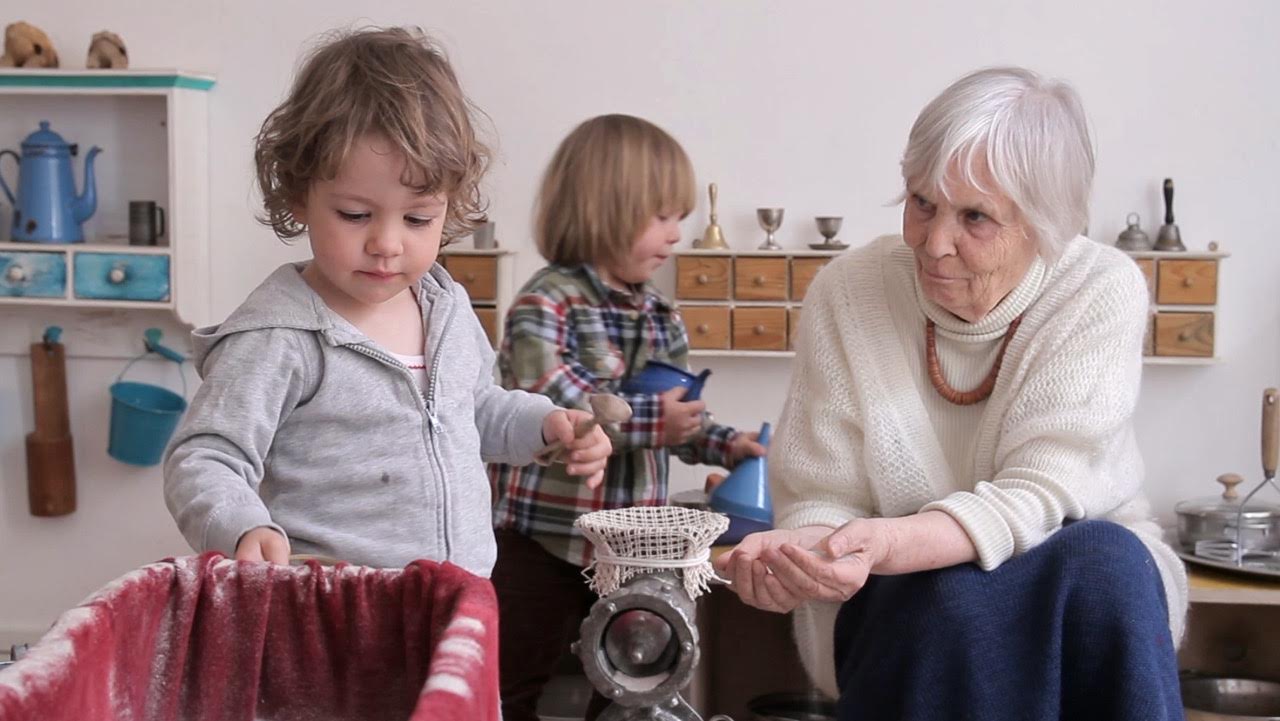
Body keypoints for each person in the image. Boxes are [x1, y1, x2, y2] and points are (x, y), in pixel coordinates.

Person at [714, 67, 1187, 721]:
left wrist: (884, 542)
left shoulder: (1098, 288)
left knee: (1101, 555)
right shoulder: (848, 291)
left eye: (975, 217)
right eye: (922, 202)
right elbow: (821, 496)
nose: (934, 244)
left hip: (1079, 586)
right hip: (899, 599)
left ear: (1044, 225)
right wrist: (804, 557)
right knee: (948, 595)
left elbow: (1039, 494)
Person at [163, 27, 611, 575]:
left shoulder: (445, 308)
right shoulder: (278, 337)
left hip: (457, 607)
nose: (387, 243)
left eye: (419, 218)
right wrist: (241, 524)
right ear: (300, 194)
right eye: (355, 214)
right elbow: (205, 457)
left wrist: (548, 425)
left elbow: (475, 413)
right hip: (338, 619)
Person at [488, 114, 767, 721]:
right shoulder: (546, 302)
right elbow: (557, 407)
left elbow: (682, 417)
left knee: (633, 687)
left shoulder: (663, 316)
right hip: (540, 542)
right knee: (507, 685)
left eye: (681, 216)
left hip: (634, 551)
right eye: (662, 215)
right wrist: (653, 425)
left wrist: (727, 445)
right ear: (606, 209)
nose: (677, 232)